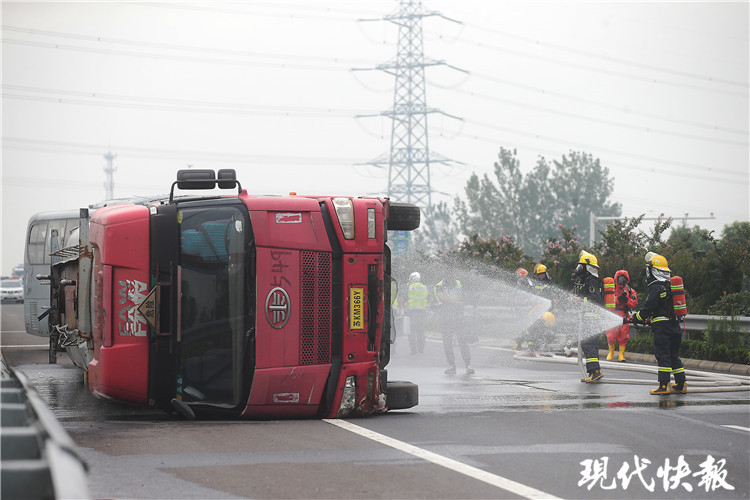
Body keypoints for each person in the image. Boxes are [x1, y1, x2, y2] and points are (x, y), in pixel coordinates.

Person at [631, 252, 686, 395]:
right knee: (673, 355)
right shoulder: (669, 286)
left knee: (662, 355)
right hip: (674, 326)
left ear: (653, 271)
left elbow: (649, 306)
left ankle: (664, 386)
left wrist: (637, 317)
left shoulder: (656, 287)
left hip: (663, 329)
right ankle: (681, 384)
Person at [572, 251, 605, 382]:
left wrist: (581, 300)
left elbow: (594, 299)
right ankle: (594, 372)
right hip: (592, 317)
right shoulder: (589, 281)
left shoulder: (592, 281)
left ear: (587, 268)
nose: (579, 269)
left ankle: (595, 371)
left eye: (581, 266)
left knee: (587, 342)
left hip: (592, 317)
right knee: (590, 343)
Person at [434, 275, 473, 375]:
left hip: (458, 315)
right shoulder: (440, 286)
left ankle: (468, 364)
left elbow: (465, 297)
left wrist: (465, 302)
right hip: (446, 316)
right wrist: (457, 303)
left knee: (462, 340)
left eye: (453, 278)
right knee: (447, 341)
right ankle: (451, 365)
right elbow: (442, 298)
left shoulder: (459, 284)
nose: (452, 280)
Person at [605, 270, 638, 362]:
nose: (621, 280)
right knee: (611, 334)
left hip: (624, 314)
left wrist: (626, 299)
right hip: (613, 314)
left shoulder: (630, 291)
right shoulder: (611, 289)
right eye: (620, 278)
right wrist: (619, 298)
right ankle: (610, 353)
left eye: (624, 278)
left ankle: (621, 355)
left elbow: (634, 303)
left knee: (623, 336)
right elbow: (609, 301)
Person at [405, 272, 429, 354]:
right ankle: (421, 349)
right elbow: (430, 298)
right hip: (422, 312)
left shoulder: (409, 287)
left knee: (412, 331)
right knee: (421, 330)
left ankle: (413, 350)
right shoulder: (424, 287)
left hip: (412, 312)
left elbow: (403, 299)